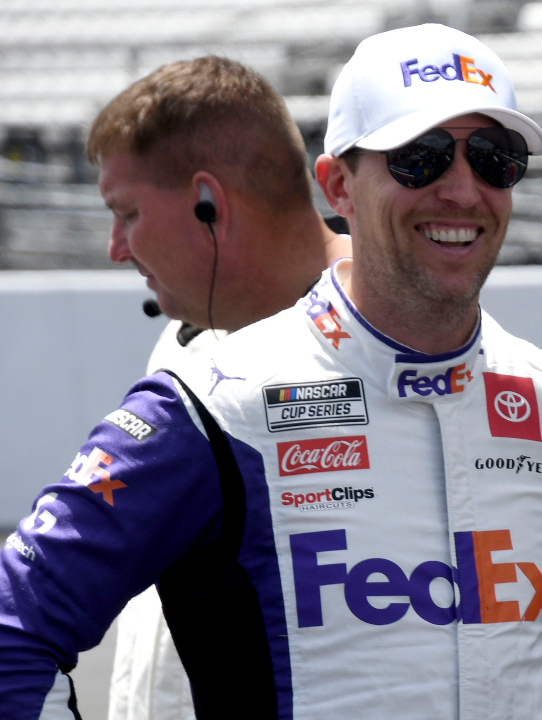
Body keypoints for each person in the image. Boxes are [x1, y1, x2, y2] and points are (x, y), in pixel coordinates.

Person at [1, 24, 542, 720]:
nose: (463, 190)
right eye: (419, 157)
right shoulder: (216, 407)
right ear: (338, 185)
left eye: (493, 158)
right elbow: (16, 630)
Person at [87, 56, 353, 720]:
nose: (116, 247)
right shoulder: (187, 336)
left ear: (208, 204)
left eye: (127, 213)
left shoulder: (390, 338)